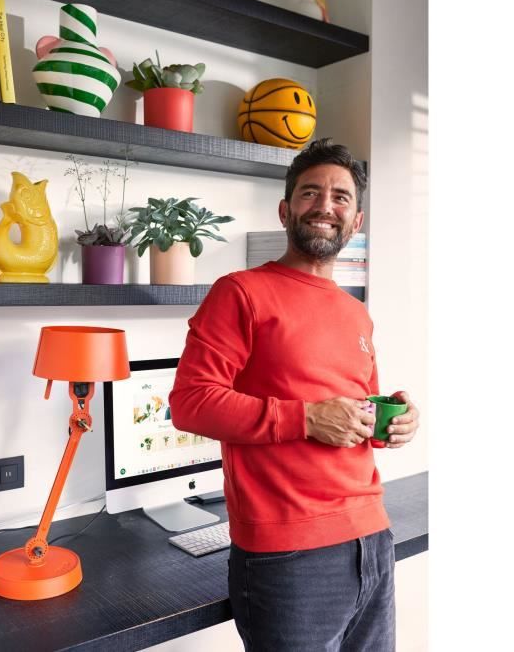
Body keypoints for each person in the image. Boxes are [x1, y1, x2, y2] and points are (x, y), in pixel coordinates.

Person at [168, 138, 420, 651]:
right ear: (285, 210)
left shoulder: (356, 313)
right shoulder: (240, 292)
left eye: (340, 197)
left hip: (373, 539)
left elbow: (358, 411)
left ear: (356, 221)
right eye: (310, 193)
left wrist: (393, 422)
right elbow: (190, 402)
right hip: (289, 557)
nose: (325, 206)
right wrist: (306, 418)